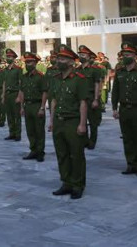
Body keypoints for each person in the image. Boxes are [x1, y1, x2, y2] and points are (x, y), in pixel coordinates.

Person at [48, 44, 88, 199]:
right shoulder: (56, 79)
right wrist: (51, 120)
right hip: (59, 121)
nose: (60, 61)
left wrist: (82, 124)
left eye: (63, 58)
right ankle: (66, 182)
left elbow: (83, 102)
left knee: (76, 154)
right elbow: (53, 101)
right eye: (59, 58)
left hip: (73, 121)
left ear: (72, 62)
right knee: (62, 154)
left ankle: (78, 185)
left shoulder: (79, 79)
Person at [111, 42, 137, 177]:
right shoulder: (120, 72)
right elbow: (115, 91)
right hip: (124, 110)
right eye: (123, 55)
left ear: (134, 56)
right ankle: (130, 164)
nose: (125, 57)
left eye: (128, 54)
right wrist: (114, 108)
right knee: (127, 139)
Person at [18, 52, 48, 161]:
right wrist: (21, 107)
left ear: (35, 63)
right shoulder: (24, 77)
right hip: (27, 105)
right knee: (30, 130)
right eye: (26, 62)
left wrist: (42, 107)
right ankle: (33, 150)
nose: (28, 64)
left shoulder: (40, 77)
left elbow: (45, 92)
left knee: (39, 130)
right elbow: (22, 92)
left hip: (37, 105)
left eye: (30, 62)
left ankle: (40, 152)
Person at [77, 45, 104, 150]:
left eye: (83, 55)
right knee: (82, 120)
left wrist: (96, 99)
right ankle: (84, 141)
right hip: (80, 100)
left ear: (89, 57)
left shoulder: (95, 70)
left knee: (93, 122)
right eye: (80, 54)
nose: (81, 56)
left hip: (91, 98)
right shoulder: (77, 69)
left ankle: (92, 141)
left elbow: (97, 84)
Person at [2, 49, 22, 141]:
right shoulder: (5, 70)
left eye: (10, 57)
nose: (8, 58)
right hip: (7, 94)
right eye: (7, 57)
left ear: (14, 58)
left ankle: (18, 134)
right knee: (9, 115)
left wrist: (19, 96)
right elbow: (4, 83)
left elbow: (20, 83)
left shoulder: (18, 70)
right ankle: (11, 133)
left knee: (16, 116)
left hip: (15, 94)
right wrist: (3, 95)